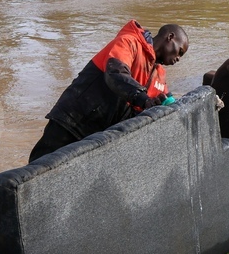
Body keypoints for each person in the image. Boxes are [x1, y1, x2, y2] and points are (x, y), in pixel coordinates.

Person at [29, 21, 188, 163]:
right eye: (180, 51)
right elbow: (115, 74)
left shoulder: (159, 74)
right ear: (170, 37)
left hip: (97, 137)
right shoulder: (129, 42)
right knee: (40, 167)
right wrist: (143, 99)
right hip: (72, 122)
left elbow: (168, 102)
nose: (179, 58)